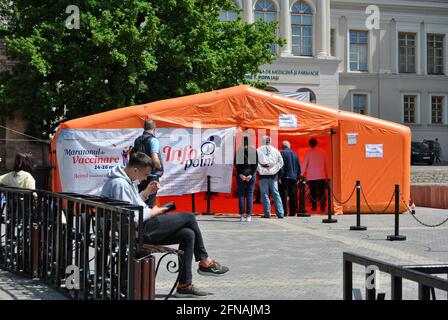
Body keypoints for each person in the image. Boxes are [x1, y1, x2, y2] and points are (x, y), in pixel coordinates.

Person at [101, 150, 229, 298]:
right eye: (144, 174)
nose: (144, 179)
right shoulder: (120, 183)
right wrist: (155, 212)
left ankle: (184, 285)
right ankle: (205, 260)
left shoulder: (124, 180)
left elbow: (132, 205)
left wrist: (145, 193)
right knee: (189, 217)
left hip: (138, 227)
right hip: (139, 230)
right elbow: (133, 217)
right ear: (136, 169)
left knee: (188, 234)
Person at [134, 119, 163, 207]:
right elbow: (154, 157)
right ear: (154, 128)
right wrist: (159, 166)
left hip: (141, 176)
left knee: (140, 201)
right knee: (149, 204)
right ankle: (147, 220)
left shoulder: (137, 140)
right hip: (152, 176)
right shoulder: (153, 140)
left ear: (144, 128)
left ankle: (139, 219)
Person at [257, 136, 285, 219]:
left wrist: (261, 170)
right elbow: (281, 162)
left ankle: (267, 213)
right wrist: (274, 169)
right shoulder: (276, 150)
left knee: (264, 194)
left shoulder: (258, 150)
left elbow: (254, 163)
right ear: (270, 141)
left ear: (262, 141)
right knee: (276, 193)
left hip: (263, 175)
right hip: (273, 175)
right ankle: (280, 213)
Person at [235, 134, 258, 222]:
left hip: (241, 173)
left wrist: (240, 174)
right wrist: (251, 174)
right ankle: (248, 216)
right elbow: (255, 164)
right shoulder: (253, 150)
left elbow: (236, 163)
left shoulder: (239, 150)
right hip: (250, 173)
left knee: (241, 194)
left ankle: (241, 215)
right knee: (249, 195)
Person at [302, 138, 328, 212]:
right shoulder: (323, 152)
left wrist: (301, 174)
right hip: (321, 175)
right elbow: (326, 164)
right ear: (317, 143)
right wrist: (328, 175)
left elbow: (304, 164)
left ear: (310, 144)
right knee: (322, 192)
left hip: (311, 177)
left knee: (312, 192)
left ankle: (314, 206)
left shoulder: (307, 153)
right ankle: (322, 206)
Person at [279, 141, 301, 217]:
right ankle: (293, 212)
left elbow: (280, 166)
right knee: (292, 195)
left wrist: (279, 176)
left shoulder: (281, 153)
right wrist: (298, 176)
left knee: (283, 195)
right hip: (293, 177)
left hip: (284, 177)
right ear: (289, 146)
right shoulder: (295, 154)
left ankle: (284, 212)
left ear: (282, 146)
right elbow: (298, 166)